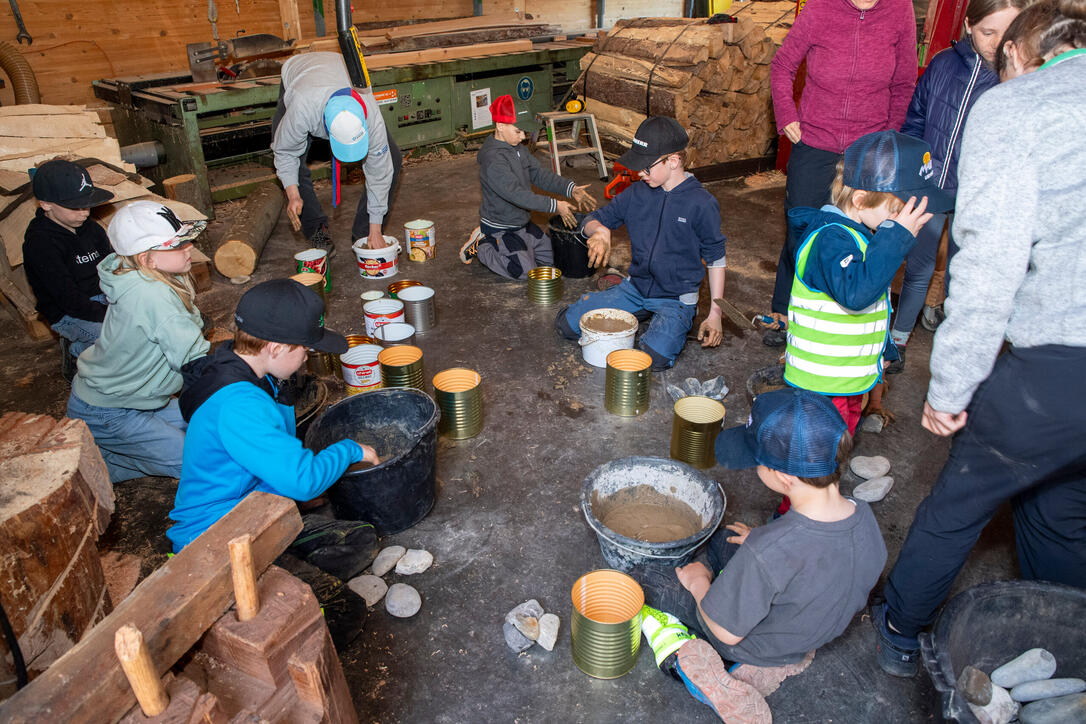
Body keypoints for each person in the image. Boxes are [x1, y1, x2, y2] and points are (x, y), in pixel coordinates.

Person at [872, 0, 1086, 678]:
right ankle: (1066, 641)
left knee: (961, 497)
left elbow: (990, 266)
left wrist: (952, 386)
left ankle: (901, 629)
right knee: (1061, 506)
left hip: (1065, 358)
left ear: (1019, 56)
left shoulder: (1017, 107)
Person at [633, 387, 887, 723]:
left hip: (748, 643)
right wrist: (762, 541)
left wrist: (699, 583)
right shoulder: (863, 513)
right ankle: (786, 656)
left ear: (782, 476)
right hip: (813, 626)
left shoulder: (767, 551)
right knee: (725, 540)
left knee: (647, 578)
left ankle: (710, 672)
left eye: (756, 461)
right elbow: (819, 555)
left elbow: (727, 632)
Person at [168, 278, 380, 568]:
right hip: (213, 541)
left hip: (243, 506)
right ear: (277, 348)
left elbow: (267, 452)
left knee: (346, 534)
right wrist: (351, 450)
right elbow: (304, 481)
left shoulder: (238, 366)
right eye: (305, 350)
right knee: (354, 546)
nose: (306, 358)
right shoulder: (240, 406)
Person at [765, 0, 918, 346]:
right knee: (800, 231)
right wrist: (786, 113)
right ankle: (786, 311)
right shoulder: (820, 7)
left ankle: (845, 321)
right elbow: (783, 65)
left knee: (859, 234)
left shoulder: (900, 10)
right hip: (815, 142)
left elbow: (904, 84)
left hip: (868, 150)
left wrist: (886, 140)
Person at [890, 0, 1031, 370]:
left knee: (962, 273)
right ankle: (898, 340)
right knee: (919, 266)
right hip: (932, 186)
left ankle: (954, 354)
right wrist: (915, 170)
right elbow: (916, 119)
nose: (999, 43)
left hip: (978, 195)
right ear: (969, 24)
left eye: (1009, 33)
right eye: (989, 32)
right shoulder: (942, 64)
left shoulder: (1019, 78)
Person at [783, 130, 950, 435]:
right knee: (817, 454)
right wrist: (897, 237)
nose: (903, 220)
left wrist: (882, 352)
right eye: (898, 211)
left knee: (839, 444)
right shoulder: (829, 239)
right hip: (822, 384)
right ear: (860, 200)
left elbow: (874, 304)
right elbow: (856, 294)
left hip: (846, 378)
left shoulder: (864, 237)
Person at [553, 117, 726, 371]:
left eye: (646, 167)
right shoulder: (637, 193)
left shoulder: (701, 203)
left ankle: (675, 321)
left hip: (675, 298)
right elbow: (592, 219)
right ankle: (637, 312)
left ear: (673, 161)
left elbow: (716, 259)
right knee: (566, 325)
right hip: (635, 289)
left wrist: (716, 314)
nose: (640, 173)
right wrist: (600, 231)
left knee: (650, 359)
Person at [67, 201, 209, 483]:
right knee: (201, 463)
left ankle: (115, 451)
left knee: (209, 432)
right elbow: (196, 362)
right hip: (108, 410)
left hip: (138, 399)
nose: (188, 247)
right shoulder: (153, 296)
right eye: (176, 245)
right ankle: (95, 469)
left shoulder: (141, 272)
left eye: (186, 240)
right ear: (147, 259)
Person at [272, 52, 400, 256]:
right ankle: (316, 231)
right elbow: (285, 151)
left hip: (339, 66)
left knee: (391, 159)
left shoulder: (369, 112)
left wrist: (374, 226)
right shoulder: (302, 108)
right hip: (300, 74)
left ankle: (366, 233)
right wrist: (292, 194)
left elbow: (380, 171)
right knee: (295, 168)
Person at [459, 94, 597, 279]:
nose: (523, 137)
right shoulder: (493, 160)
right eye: (518, 131)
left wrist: (569, 188)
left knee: (558, 259)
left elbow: (538, 175)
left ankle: (520, 247)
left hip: (522, 223)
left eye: (525, 131)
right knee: (525, 273)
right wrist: (555, 205)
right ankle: (483, 245)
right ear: (500, 125)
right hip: (501, 228)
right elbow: (518, 195)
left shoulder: (518, 149)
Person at [22, 159, 115, 369]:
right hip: (67, 312)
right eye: (74, 206)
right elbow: (67, 298)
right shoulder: (40, 243)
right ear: (46, 204)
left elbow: (112, 267)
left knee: (142, 324)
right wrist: (112, 317)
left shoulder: (91, 229)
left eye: (87, 204)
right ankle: (78, 354)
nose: (85, 212)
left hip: (101, 296)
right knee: (115, 340)